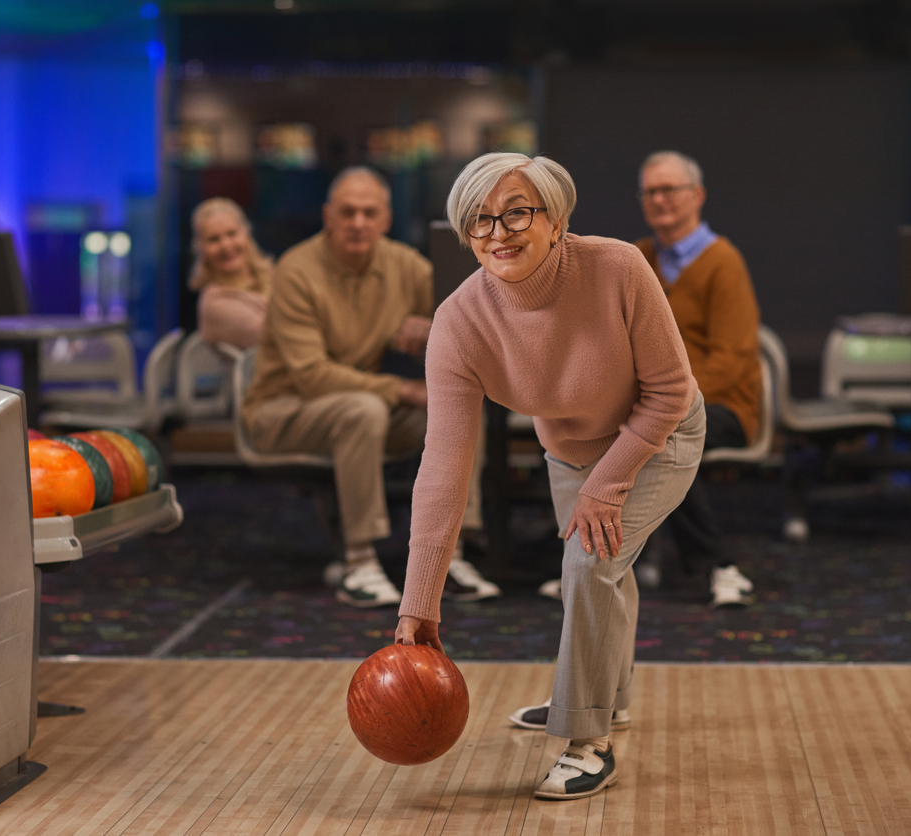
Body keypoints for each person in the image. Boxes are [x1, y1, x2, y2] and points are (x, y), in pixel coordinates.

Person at [394, 153, 703, 801]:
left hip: (661, 434)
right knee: (600, 567)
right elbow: (443, 469)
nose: (497, 233)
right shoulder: (459, 322)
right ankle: (603, 699)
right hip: (569, 449)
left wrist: (609, 482)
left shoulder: (617, 266)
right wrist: (418, 602)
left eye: (515, 213)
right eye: (479, 221)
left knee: (589, 563)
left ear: (556, 220)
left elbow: (671, 390)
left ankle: (586, 739)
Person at [241, 166, 498, 608]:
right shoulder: (296, 270)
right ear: (328, 217)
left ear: (385, 219)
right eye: (347, 212)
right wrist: (402, 390)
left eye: (368, 213)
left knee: (457, 409)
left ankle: (449, 557)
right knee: (363, 409)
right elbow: (312, 376)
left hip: (363, 408)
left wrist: (434, 327)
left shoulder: (404, 265)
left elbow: (472, 322)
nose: (358, 222)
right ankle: (358, 562)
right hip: (282, 410)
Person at [633, 151, 760, 608]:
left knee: (660, 441)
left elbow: (731, 360)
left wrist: (664, 399)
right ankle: (588, 565)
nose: (658, 200)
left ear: (697, 196)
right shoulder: (638, 258)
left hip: (726, 405)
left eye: (669, 189)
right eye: (650, 191)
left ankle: (717, 564)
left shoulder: (723, 262)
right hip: (652, 402)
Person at [188, 197, 273, 350]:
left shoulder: (274, 274)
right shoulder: (215, 304)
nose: (226, 245)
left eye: (232, 234)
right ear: (201, 248)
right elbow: (278, 336)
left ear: (246, 233)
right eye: (214, 239)